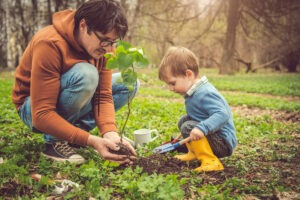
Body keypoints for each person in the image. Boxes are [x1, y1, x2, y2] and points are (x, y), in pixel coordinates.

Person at [11, 0, 137, 165]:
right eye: (105, 40)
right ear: (83, 26)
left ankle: (75, 136)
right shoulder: (49, 43)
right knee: (87, 74)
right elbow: (41, 114)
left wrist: (110, 133)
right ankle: (54, 141)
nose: (108, 49)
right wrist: (92, 141)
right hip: (33, 108)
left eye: (113, 42)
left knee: (128, 83)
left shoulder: (105, 48)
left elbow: (103, 96)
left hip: (66, 99)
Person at [158, 46, 237, 172]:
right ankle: (194, 153)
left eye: (173, 83)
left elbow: (223, 114)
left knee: (188, 126)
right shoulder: (194, 91)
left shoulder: (205, 92)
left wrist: (202, 128)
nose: (171, 88)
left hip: (223, 142)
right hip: (214, 137)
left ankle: (210, 160)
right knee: (183, 121)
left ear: (188, 74)